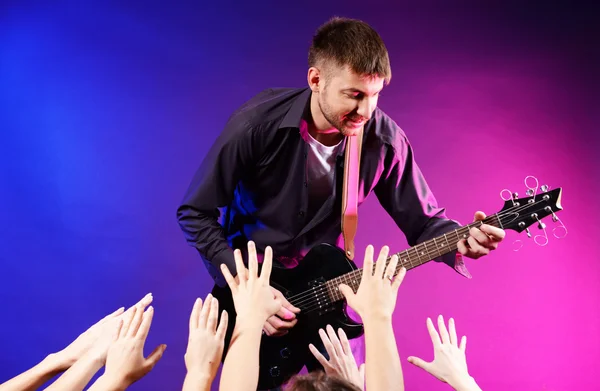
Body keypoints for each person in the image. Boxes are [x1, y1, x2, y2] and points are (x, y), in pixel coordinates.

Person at [176, 14, 505, 374]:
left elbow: (425, 223)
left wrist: (461, 241)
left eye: (375, 96)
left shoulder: (384, 141)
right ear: (316, 80)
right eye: (354, 95)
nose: (365, 111)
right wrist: (246, 289)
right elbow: (195, 211)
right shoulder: (256, 126)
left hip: (330, 301)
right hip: (253, 297)